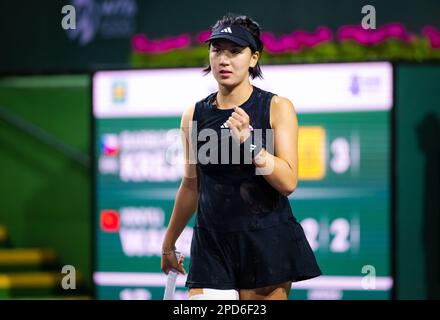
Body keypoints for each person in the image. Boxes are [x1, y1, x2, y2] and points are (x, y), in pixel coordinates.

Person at [161, 13, 321, 300]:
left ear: (253, 58)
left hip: (266, 242)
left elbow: (288, 182)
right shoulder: (193, 115)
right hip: (211, 247)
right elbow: (190, 186)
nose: (223, 60)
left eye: (234, 51)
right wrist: (168, 244)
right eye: (216, 50)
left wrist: (249, 143)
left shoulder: (277, 107)